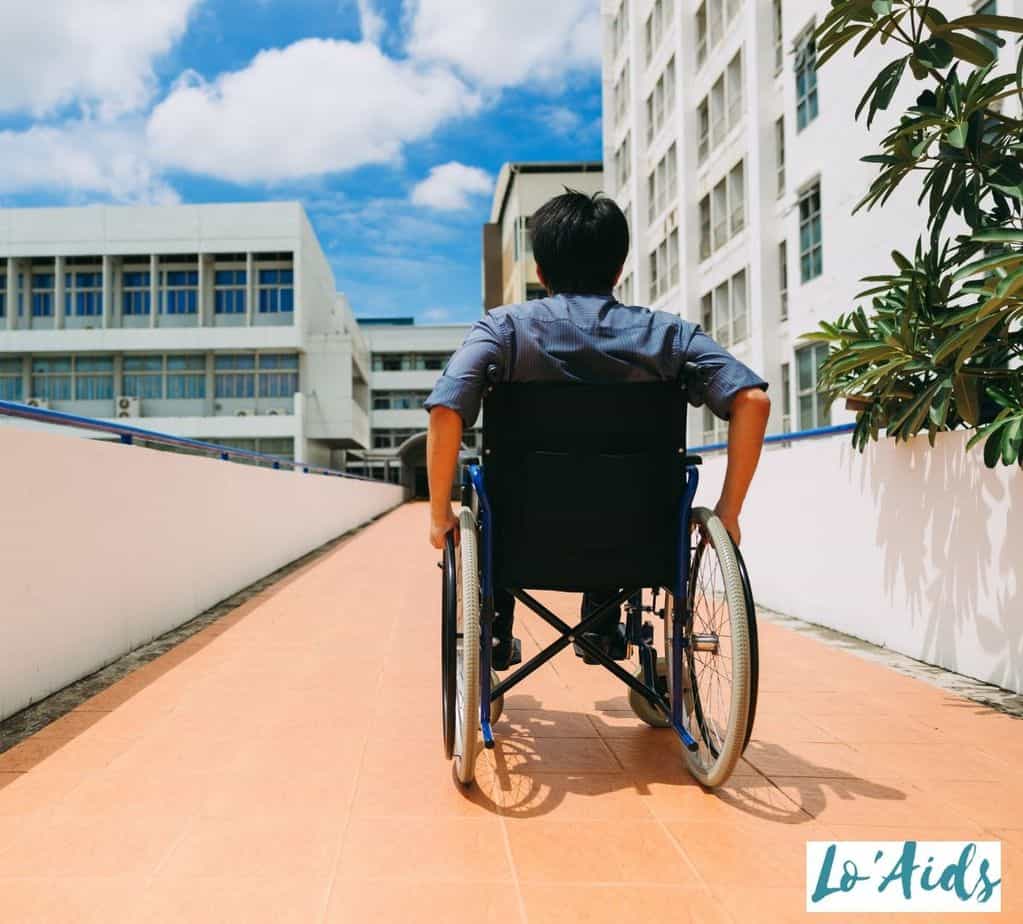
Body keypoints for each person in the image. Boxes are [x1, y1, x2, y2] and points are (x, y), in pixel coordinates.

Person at [425, 190, 770, 670]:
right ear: (618, 269)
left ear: (541, 272)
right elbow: (752, 400)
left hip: (522, 537)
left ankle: (496, 637)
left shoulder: (504, 330)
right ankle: (601, 628)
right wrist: (729, 512)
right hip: (638, 539)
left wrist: (440, 513)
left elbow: (446, 410)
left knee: (493, 502)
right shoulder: (670, 336)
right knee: (617, 492)